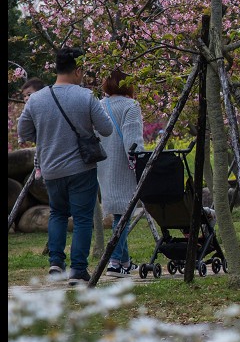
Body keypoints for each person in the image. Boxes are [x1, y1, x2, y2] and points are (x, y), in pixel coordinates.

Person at [17, 47, 113, 285]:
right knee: (82, 218)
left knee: (57, 214)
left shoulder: (37, 99)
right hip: (81, 168)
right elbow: (107, 129)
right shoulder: (85, 96)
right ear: (78, 70)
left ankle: (56, 264)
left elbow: (23, 132)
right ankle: (78, 270)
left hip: (50, 169)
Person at [98, 69, 145, 276]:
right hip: (124, 166)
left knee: (119, 211)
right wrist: (140, 162)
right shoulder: (131, 106)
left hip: (103, 165)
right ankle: (115, 262)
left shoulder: (99, 105)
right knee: (123, 214)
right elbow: (132, 140)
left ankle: (125, 262)